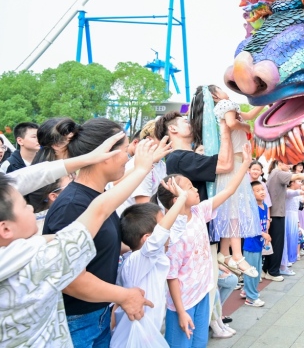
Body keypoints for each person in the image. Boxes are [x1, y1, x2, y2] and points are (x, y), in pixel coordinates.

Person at [0, 132, 156, 348]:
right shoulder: (36, 262)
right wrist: (140, 169)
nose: (30, 207)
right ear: (5, 228)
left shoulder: (15, 255)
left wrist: (87, 158)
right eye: (23, 205)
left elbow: (24, 179)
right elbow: (98, 211)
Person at [43, 119, 170, 348]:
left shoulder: (97, 196)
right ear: (106, 155)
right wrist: (124, 295)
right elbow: (72, 280)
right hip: (77, 322)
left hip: (97, 314)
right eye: (125, 151)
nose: (128, 158)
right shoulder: (73, 205)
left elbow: (100, 245)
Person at [158, 143, 252, 346]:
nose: (195, 189)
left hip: (201, 294)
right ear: (176, 198)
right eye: (189, 188)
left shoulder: (199, 212)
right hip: (182, 303)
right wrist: (181, 312)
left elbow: (229, 190)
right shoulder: (174, 233)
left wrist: (245, 164)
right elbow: (171, 276)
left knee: (199, 342)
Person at [112, 176, 188, 345]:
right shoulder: (136, 261)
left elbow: (178, 228)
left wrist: (179, 201)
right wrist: (182, 198)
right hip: (131, 340)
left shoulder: (154, 255)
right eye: (163, 225)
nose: (167, 229)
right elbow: (160, 236)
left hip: (148, 335)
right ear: (147, 238)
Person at [209, 86, 262, 277]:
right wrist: (246, 128)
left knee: (230, 209)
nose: (224, 90)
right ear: (215, 95)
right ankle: (238, 256)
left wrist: (263, 104)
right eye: (219, 89)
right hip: (235, 163)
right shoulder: (225, 104)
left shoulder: (226, 107)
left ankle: (224, 253)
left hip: (235, 162)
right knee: (235, 211)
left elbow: (248, 114)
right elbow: (233, 123)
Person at [262, 160, 304, 281]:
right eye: (287, 163)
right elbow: (297, 176)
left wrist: (301, 191)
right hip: (277, 213)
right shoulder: (278, 173)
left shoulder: (275, 173)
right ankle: (273, 272)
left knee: (274, 243)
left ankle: (266, 269)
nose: (290, 165)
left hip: (275, 213)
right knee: (277, 245)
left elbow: (288, 192)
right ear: (279, 163)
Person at [242, 181, 271, 307]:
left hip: (258, 244)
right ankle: (251, 298)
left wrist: (265, 235)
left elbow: (263, 224)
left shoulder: (264, 205)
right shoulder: (251, 207)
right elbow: (250, 226)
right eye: (257, 190)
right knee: (252, 271)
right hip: (251, 244)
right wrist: (263, 234)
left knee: (257, 270)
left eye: (262, 189)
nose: (261, 192)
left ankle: (246, 291)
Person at [280, 179, 303, 276]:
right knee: (286, 240)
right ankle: (283, 265)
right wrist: (302, 192)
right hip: (287, 217)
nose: (301, 183)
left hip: (293, 217)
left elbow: (296, 209)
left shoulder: (296, 194)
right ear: (292, 182)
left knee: (292, 239)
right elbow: (291, 193)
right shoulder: (288, 192)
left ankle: (287, 261)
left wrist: (297, 221)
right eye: (299, 181)